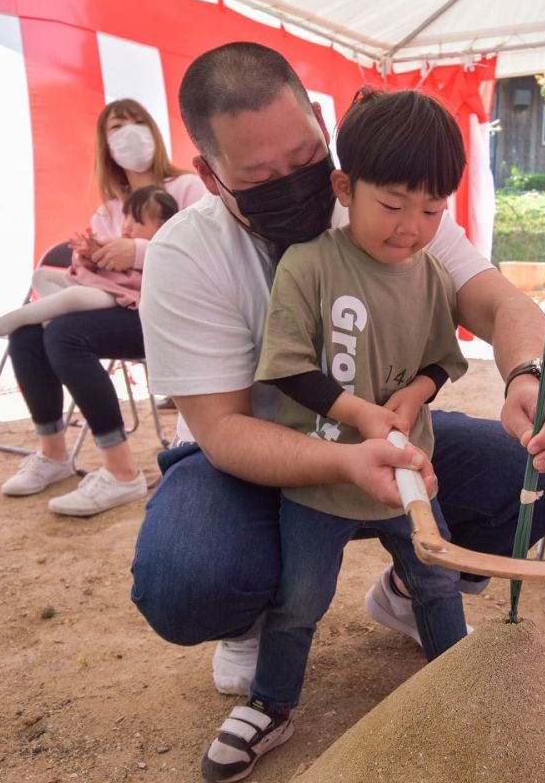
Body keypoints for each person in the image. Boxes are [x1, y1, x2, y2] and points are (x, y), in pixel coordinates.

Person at [131, 42, 545, 713]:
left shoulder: (381, 200)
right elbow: (223, 429)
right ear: (209, 170)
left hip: (386, 436)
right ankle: (250, 618)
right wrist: (344, 461)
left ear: (321, 124)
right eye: (260, 174)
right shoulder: (186, 255)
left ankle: (408, 590)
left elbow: (498, 302)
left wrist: (527, 375)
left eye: (307, 160)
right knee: (189, 577)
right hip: (258, 457)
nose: (295, 184)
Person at [197, 88, 472, 782]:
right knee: (299, 601)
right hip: (320, 477)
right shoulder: (311, 265)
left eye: (433, 210)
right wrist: (359, 416)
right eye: (393, 204)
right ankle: (273, 704)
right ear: (345, 187)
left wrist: (412, 394)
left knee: (438, 583)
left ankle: (459, 687)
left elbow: (444, 358)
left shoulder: (434, 276)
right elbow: (286, 367)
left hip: (408, 472)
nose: (411, 226)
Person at [0, 99, 205, 516]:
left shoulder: (188, 188)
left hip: (176, 313)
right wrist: (91, 256)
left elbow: (207, 254)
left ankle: (122, 474)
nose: (130, 132)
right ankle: (54, 455)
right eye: (117, 126)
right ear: (105, 145)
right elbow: (96, 273)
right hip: (121, 307)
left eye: (137, 122)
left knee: (64, 333)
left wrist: (139, 250)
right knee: (27, 334)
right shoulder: (106, 211)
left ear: (153, 129)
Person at [0, 186, 178, 336]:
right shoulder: (117, 241)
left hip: (116, 294)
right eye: (125, 217)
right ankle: (52, 319)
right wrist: (86, 257)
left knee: (74, 296)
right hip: (91, 281)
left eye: (137, 221)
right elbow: (87, 262)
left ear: (162, 227)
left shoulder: (158, 249)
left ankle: (25, 315)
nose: (126, 225)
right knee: (42, 276)